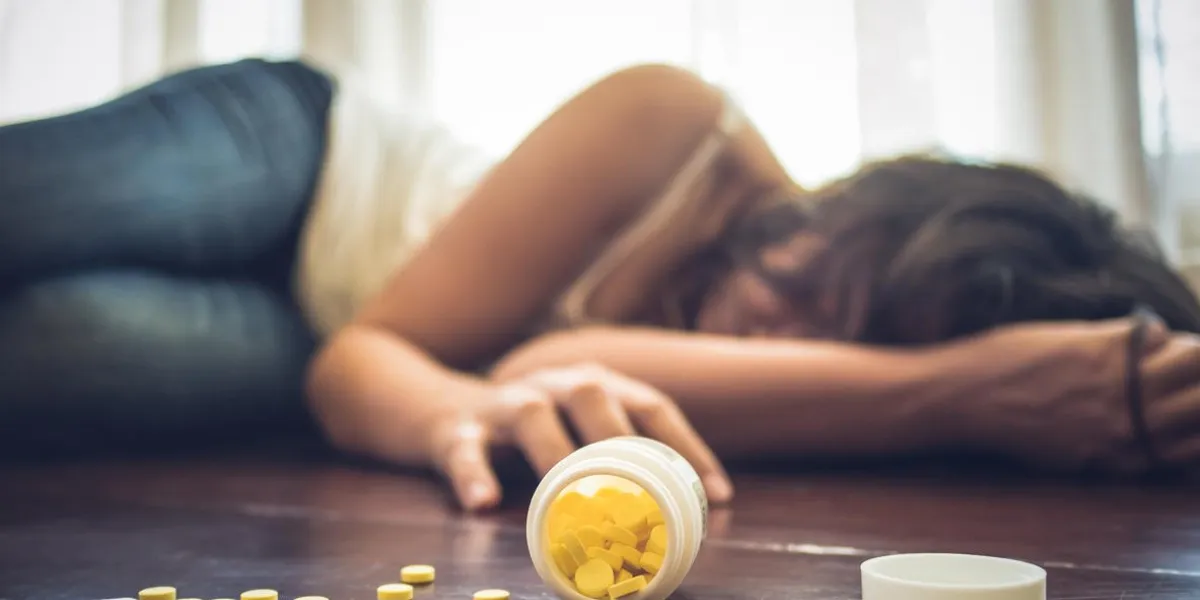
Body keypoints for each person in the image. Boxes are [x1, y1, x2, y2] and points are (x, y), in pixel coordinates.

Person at [1, 58, 1198, 509]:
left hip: (305, 338)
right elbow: (460, 363)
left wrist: (955, 395)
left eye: (847, 345)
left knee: (50, 357)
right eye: (823, 283)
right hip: (304, 163)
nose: (778, 331)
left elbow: (345, 369)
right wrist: (962, 387)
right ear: (863, 208)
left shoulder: (842, 404)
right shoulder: (679, 124)